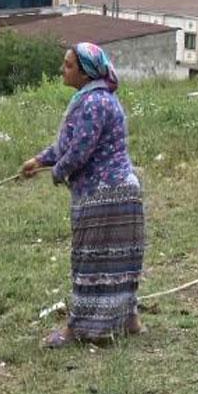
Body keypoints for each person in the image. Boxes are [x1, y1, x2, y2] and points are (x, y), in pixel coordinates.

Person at [21, 42, 145, 347]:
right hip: (117, 192)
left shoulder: (95, 103)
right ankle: (128, 320)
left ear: (86, 72)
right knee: (119, 261)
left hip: (104, 194)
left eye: (68, 65)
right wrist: (40, 160)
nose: (63, 70)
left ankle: (79, 330)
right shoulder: (94, 99)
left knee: (90, 262)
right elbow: (69, 145)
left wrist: (56, 171)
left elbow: (79, 151)